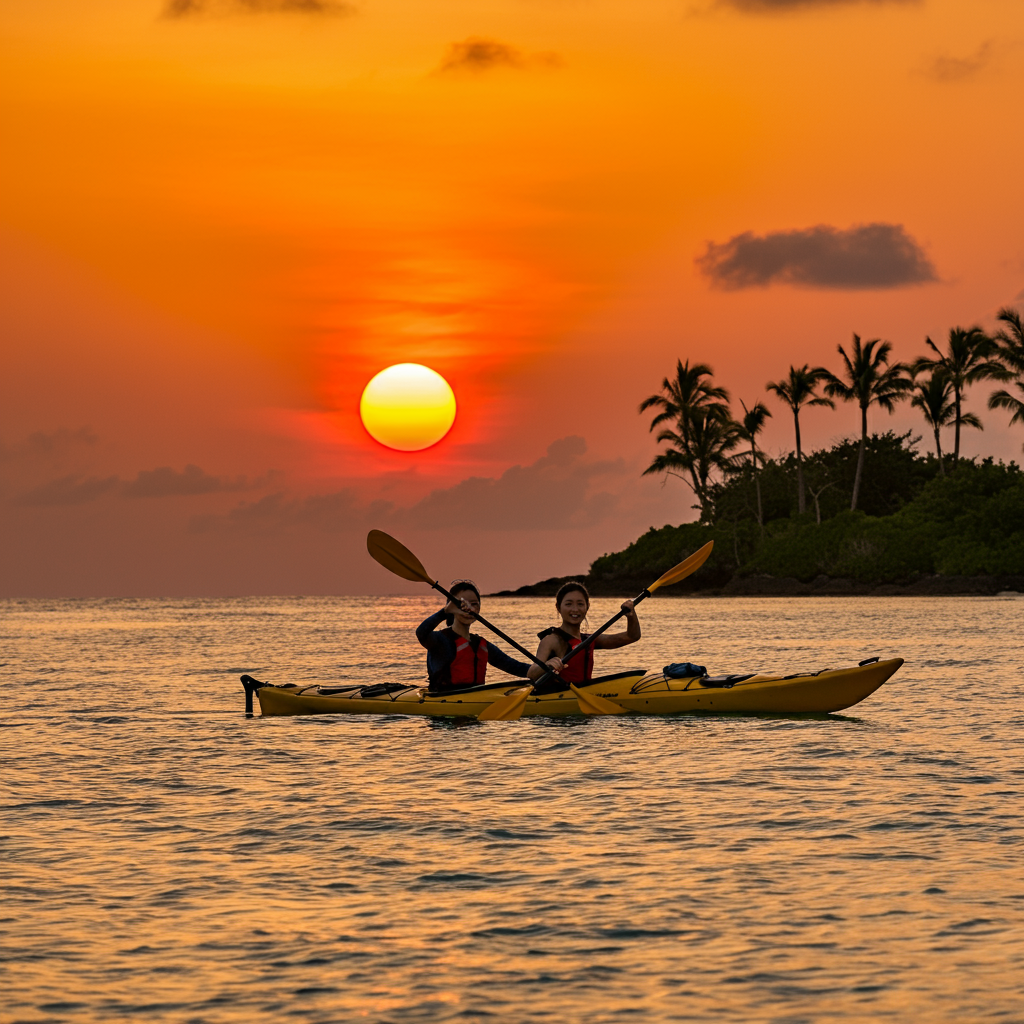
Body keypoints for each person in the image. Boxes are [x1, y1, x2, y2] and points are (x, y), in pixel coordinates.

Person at [416, 580, 563, 691]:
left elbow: (518, 668)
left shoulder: (481, 645)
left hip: (474, 716)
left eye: (474, 604)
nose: (469, 608)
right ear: (451, 607)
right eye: (462, 604)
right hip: (444, 712)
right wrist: (444, 611)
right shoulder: (440, 641)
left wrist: (545, 667)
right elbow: (421, 633)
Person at [530, 581, 640, 689]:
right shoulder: (551, 640)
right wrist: (547, 665)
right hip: (559, 697)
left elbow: (632, 636)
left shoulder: (589, 640)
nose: (575, 609)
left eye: (580, 604)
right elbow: (531, 673)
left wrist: (631, 616)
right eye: (568, 604)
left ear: (587, 606)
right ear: (558, 607)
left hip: (584, 694)